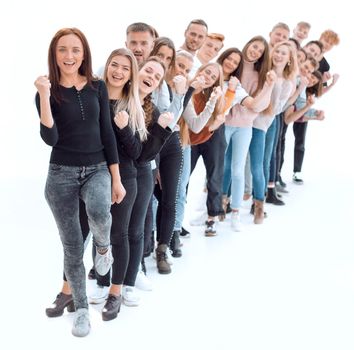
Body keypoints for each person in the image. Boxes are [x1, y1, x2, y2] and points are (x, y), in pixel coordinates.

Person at [34, 28, 126, 337]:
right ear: (55, 55)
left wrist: (116, 178)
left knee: (100, 213)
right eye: (63, 50)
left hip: (98, 167)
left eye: (75, 49)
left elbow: (107, 133)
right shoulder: (46, 92)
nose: (69, 55)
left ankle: (102, 247)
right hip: (60, 174)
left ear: (84, 53)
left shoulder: (97, 87)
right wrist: (45, 95)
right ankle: (83, 309)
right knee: (72, 247)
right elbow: (50, 138)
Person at [88, 48, 148, 321]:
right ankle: (101, 281)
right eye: (115, 65)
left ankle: (116, 291)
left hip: (125, 177)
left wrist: (123, 127)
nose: (119, 71)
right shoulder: (93, 96)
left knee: (119, 235)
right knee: (98, 230)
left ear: (131, 75)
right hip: (94, 175)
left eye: (125, 68)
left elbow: (137, 153)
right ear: (107, 66)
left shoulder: (131, 105)